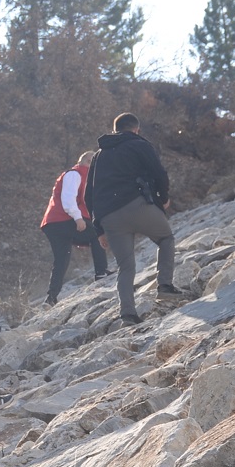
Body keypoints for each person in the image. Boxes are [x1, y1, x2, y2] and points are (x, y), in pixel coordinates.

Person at [87, 113, 180, 325]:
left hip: (109, 218)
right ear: (136, 129)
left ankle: (128, 314)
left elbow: (88, 195)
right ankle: (165, 286)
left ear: (114, 129)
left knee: (125, 266)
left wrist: (99, 229)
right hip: (137, 205)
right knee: (166, 239)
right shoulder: (139, 144)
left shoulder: (98, 156)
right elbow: (159, 173)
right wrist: (162, 199)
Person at [40, 152, 112, 306]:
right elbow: (68, 199)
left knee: (62, 260)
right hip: (64, 219)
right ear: (88, 161)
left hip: (53, 223)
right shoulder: (75, 174)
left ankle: (51, 297)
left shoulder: (80, 176)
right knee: (96, 234)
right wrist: (78, 218)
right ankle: (101, 273)